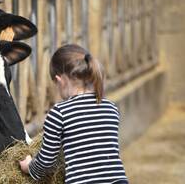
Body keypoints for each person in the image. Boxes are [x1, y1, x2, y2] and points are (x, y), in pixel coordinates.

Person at [19, 44, 128, 184]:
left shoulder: (59, 113)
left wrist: (29, 167)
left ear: (60, 81)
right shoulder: (111, 108)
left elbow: (47, 159)